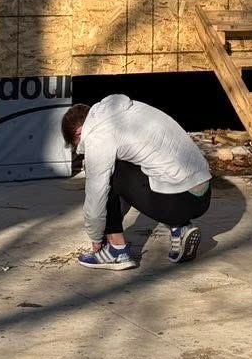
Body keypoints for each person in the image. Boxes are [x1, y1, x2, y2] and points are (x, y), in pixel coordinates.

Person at [61, 95, 213, 268]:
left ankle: (116, 250)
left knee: (105, 175)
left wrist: (96, 237)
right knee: (139, 165)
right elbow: (126, 191)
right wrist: (111, 221)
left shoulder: (98, 136)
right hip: (203, 196)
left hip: (177, 203)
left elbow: (97, 196)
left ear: (79, 132)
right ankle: (180, 228)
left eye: (79, 146)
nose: (82, 151)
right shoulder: (128, 110)